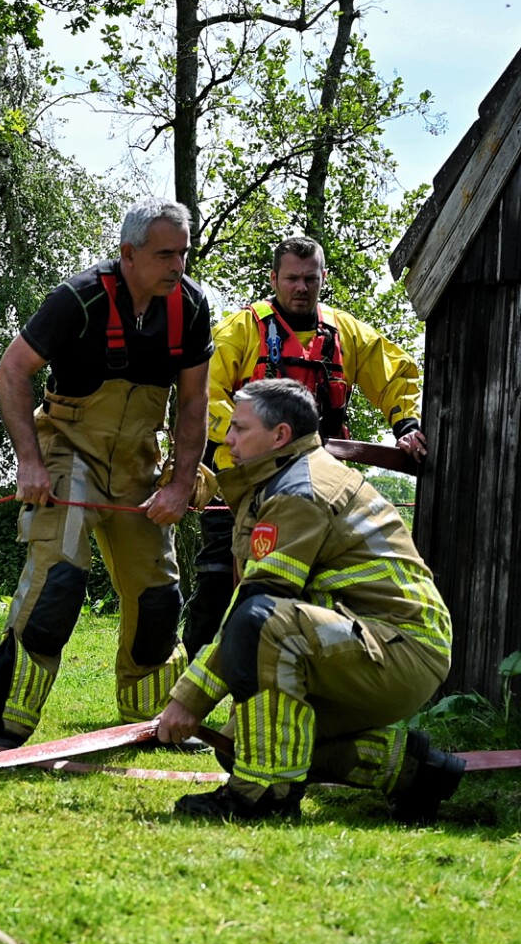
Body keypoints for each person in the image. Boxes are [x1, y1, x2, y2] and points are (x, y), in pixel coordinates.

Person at [155, 379, 460, 821]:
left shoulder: (302, 490)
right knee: (247, 739)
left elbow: (258, 604)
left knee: (260, 621)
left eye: (239, 428)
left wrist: (190, 698)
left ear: (280, 436)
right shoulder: (289, 478)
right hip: (389, 645)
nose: (228, 439)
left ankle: (261, 798)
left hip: (403, 648)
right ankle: (413, 769)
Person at [0, 197, 214, 753]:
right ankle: (1, 729)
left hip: (138, 463)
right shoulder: (77, 299)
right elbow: (12, 371)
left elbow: (195, 402)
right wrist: (30, 463)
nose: (177, 266)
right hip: (68, 454)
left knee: (158, 598)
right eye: (164, 255)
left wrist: (180, 483)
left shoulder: (192, 306)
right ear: (128, 254)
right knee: (58, 583)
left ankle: (154, 723)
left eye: (182, 253)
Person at [181, 233, 427, 658]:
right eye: (292, 278)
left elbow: (397, 373)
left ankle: (308, 666)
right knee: (220, 574)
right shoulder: (240, 330)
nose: (301, 288)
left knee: (323, 577)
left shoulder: (345, 332)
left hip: (319, 484)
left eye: (309, 279)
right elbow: (203, 395)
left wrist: (406, 423)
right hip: (242, 482)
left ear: (322, 278)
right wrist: (250, 439)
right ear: (274, 278)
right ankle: (189, 677)